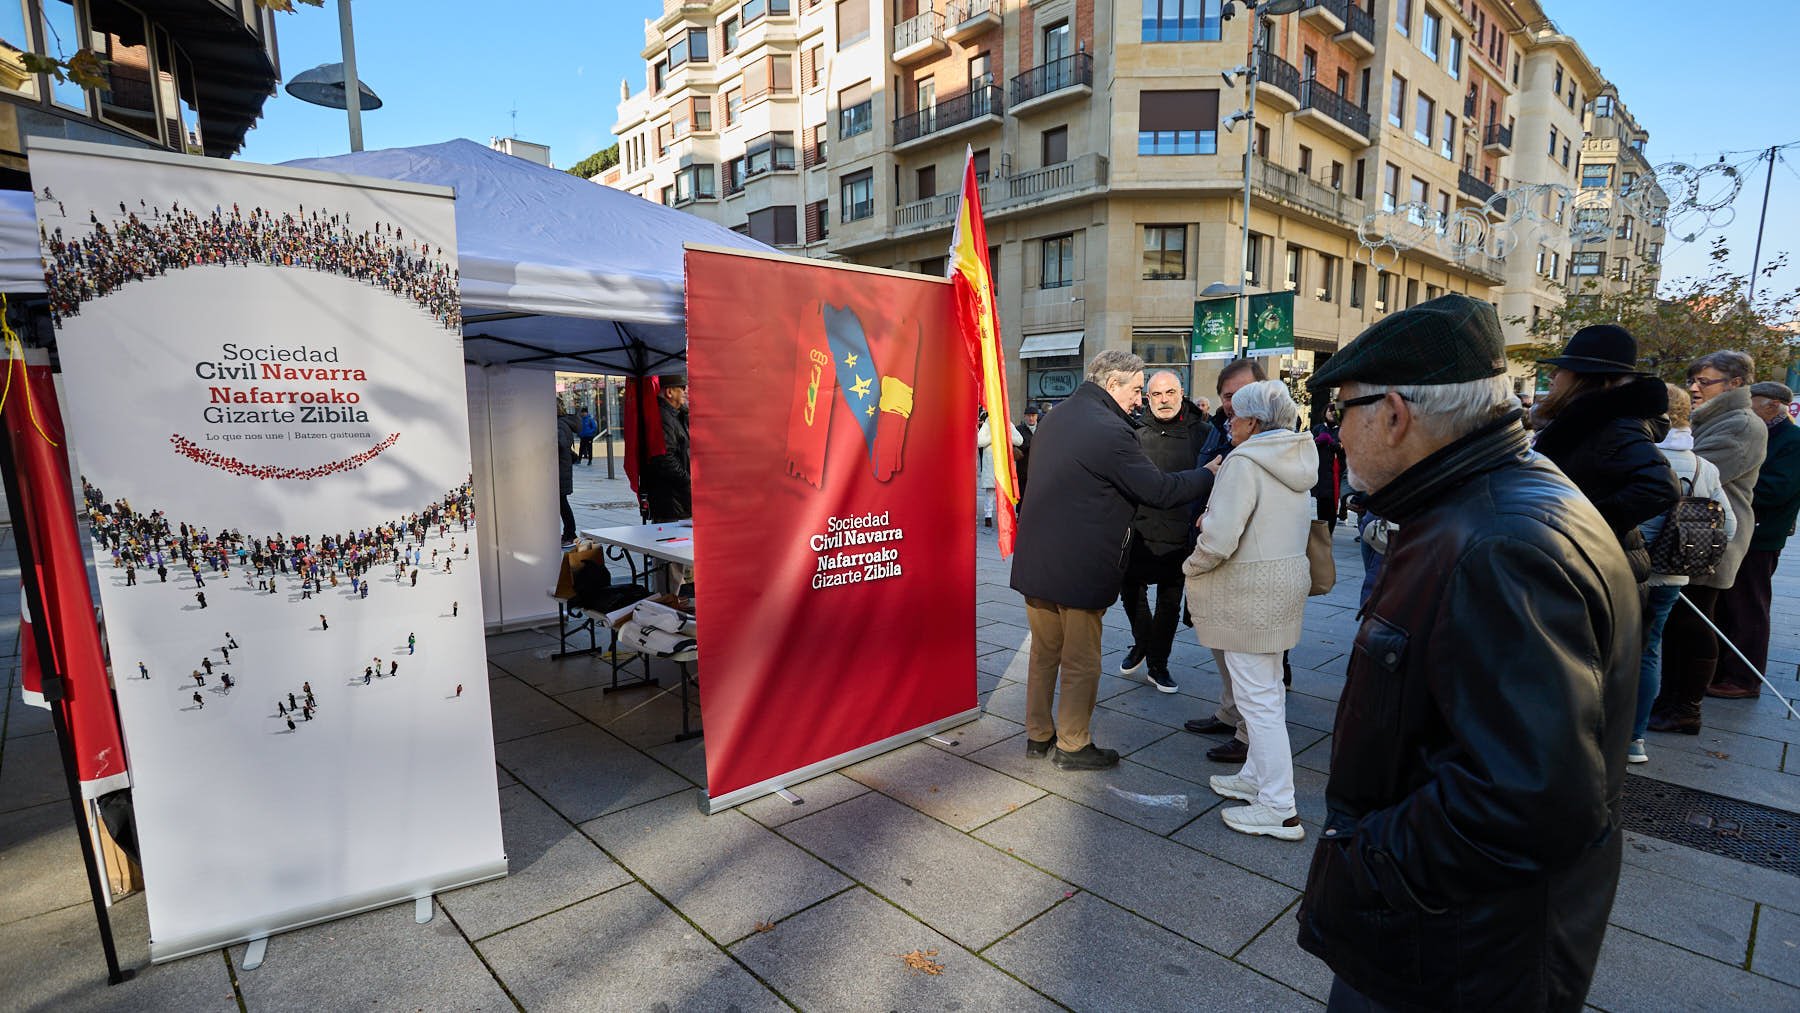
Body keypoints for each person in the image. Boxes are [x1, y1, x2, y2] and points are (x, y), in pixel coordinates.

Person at [1296, 294, 1638, 1011]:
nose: (1337, 431)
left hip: (1454, 953)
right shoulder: (1483, 504)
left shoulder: (1495, 542)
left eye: (1343, 410)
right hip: (1457, 937)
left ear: (1394, 413)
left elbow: (1529, 798)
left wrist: (1365, 862)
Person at [1010, 350, 1212, 770]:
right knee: (1081, 659)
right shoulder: (1109, 429)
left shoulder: (1057, 416)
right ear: (1112, 383)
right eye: (1137, 389)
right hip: (1080, 563)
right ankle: (1073, 745)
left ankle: (1038, 735)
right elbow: (1158, 490)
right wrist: (1209, 472)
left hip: (1038, 558)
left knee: (1044, 653)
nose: (1140, 399)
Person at [1183, 380, 1316, 840]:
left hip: (1249, 592)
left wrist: (1193, 559)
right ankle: (1257, 779)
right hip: (1282, 585)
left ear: (1254, 423)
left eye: (1235, 417)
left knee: (1258, 701)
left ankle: (1279, 806)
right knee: (1268, 693)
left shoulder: (1244, 461)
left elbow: (1220, 538)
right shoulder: (1296, 454)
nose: (1228, 423)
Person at [1651, 351, 1767, 733]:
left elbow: (1698, 467)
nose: (1695, 388)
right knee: (1682, 624)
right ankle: (1671, 701)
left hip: (1708, 536)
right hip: (1693, 533)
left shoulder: (1743, 423)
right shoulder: (1717, 418)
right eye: (1694, 380)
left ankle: (1685, 707)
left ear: (1735, 383)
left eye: (1706, 381)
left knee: (1696, 622)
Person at [1529, 325, 1679, 586]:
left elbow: (1661, 486)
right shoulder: (1585, 421)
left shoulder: (1614, 425)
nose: (1553, 376)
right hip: (1586, 561)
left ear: (1587, 379)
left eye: (1563, 369)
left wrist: (1586, 523)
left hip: (1596, 564)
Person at [1632, 384, 1733, 764]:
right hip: (1673, 577)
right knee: (1650, 649)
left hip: (1632, 571)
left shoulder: (1642, 457)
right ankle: (1635, 740)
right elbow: (1731, 526)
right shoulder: (1704, 466)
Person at [1181, 357, 1267, 765]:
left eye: (1241, 394)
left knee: (1250, 660)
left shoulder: (1268, 438)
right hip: (1217, 557)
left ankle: (1250, 735)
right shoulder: (1220, 428)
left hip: (1245, 564)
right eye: (1228, 395)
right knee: (1223, 648)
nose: (1234, 404)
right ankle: (1231, 714)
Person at [1118, 370, 1214, 693]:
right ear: (1147, 398)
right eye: (1157, 395)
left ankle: (1159, 663)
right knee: (1131, 592)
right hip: (1138, 531)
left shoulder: (1202, 432)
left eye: (1170, 393)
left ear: (1181, 392)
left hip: (1180, 533)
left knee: (1170, 602)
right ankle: (1142, 642)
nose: (1164, 400)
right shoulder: (1133, 431)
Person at [1711, 381, 1800, 698]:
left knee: (1749, 606)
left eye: (1753, 403)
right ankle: (1724, 670)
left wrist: (1738, 484)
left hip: (1762, 535)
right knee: (1727, 603)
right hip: (1746, 530)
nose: (1747, 410)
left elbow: (1776, 490)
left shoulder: (1792, 440)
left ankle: (1744, 678)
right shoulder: (1768, 435)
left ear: (1773, 406)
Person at [642, 376, 692, 522]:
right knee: (675, 541)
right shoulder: (662, 416)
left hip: (679, 498)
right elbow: (664, 457)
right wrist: (689, 481)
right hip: (671, 501)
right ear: (669, 392)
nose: (686, 391)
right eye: (682, 387)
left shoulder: (678, 415)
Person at [976, 409, 1023, 527]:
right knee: (990, 491)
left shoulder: (1008, 423)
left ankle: (1004, 516)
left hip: (1004, 463)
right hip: (991, 463)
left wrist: (1006, 436)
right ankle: (988, 516)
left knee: (1004, 492)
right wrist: (994, 436)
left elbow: (1020, 440)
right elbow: (979, 442)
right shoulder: (987, 424)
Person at [1310, 408, 1345, 532]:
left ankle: (1328, 533)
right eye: (1329, 411)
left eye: (1335, 411)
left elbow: (1343, 448)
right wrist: (1317, 441)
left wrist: (1331, 442)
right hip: (1320, 473)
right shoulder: (1318, 428)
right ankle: (1322, 535)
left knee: (1332, 508)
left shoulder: (1342, 430)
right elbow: (1309, 446)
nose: (1332, 413)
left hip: (1334, 474)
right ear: (1324, 412)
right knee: (1321, 506)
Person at [557, 401, 580, 547]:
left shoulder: (558, 424)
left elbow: (560, 444)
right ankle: (569, 533)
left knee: (562, 504)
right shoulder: (563, 422)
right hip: (561, 469)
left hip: (559, 470)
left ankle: (570, 534)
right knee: (560, 504)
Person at [1016, 406, 1040, 501]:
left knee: (1037, 492)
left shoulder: (1042, 427)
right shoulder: (1019, 429)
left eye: (1033, 416)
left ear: (1037, 416)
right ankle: (1021, 514)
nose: (1031, 418)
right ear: (1024, 417)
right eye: (1028, 416)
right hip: (1023, 467)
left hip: (1039, 467)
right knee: (1023, 492)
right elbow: (1016, 445)